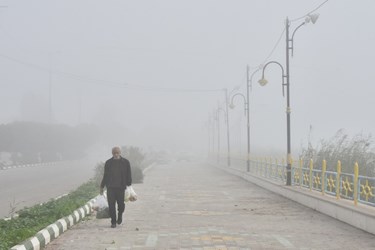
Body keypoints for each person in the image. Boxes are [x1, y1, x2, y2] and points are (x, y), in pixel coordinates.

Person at [100, 146, 132, 228]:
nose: (116, 154)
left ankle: (120, 215)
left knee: (121, 205)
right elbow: (105, 175)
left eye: (117, 153)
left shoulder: (125, 162)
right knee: (111, 206)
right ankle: (113, 222)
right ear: (112, 153)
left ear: (120, 153)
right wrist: (102, 186)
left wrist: (129, 184)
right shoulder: (108, 163)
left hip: (121, 187)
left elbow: (129, 174)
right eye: (114, 153)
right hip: (110, 188)